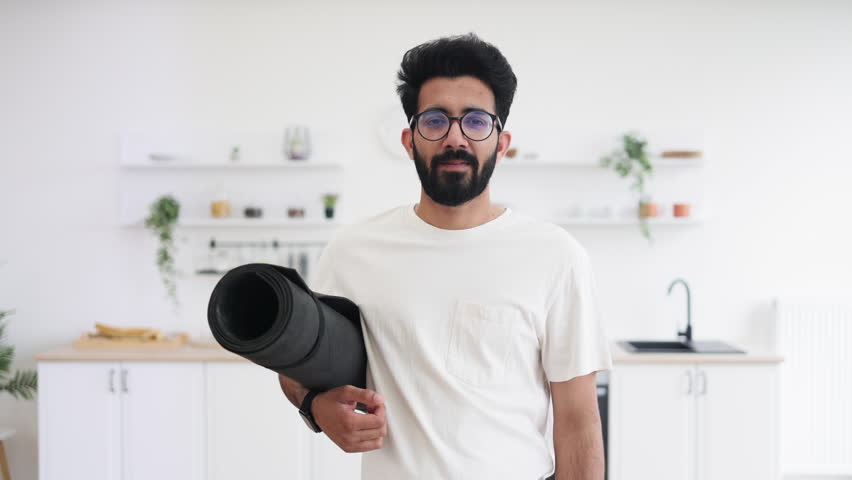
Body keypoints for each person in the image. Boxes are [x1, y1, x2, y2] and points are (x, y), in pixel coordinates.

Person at [278, 33, 612, 480]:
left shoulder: (556, 256)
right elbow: (297, 363)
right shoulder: (353, 251)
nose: (455, 138)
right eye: (435, 121)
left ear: (501, 140)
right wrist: (316, 408)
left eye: (475, 122)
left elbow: (577, 421)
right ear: (409, 139)